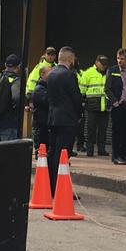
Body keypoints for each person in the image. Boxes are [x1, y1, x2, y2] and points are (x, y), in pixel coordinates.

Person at [45, 47, 85, 194]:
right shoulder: (68, 75)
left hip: (53, 118)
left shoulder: (51, 74)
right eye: (73, 59)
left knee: (53, 151)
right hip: (67, 120)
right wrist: (79, 114)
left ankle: (51, 184)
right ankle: (60, 188)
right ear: (69, 59)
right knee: (63, 154)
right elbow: (76, 98)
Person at [0, 55, 25, 142]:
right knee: (8, 152)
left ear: (5, 65)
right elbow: (16, 98)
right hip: (8, 123)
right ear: (18, 66)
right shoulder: (15, 80)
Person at [79, 55, 110, 157]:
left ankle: (101, 150)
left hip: (104, 105)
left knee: (103, 129)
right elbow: (81, 90)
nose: (104, 66)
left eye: (105, 64)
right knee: (91, 129)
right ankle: (90, 150)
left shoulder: (108, 73)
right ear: (96, 62)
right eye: (102, 64)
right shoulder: (88, 73)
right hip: (92, 105)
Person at [30, 63, 53, 154]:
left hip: (46, 122)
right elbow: (47, 102)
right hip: (41, 122)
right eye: (49, 73)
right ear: (42, 74)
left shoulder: (47, 87)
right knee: (41, 147)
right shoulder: (39, 89)